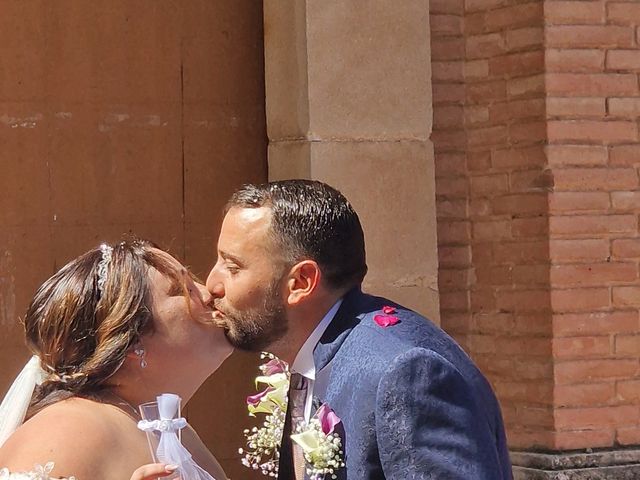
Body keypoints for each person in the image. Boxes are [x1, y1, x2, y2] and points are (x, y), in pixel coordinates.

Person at [207, 180, 513, 479]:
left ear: (301, 283)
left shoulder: (406, 374)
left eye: (233, 267)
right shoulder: (313, 354)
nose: (212, 284)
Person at [0, 239, 233, 480]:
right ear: (130, 339)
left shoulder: (169, 431)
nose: (208, 293)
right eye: (180, 290)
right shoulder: (70, 428)